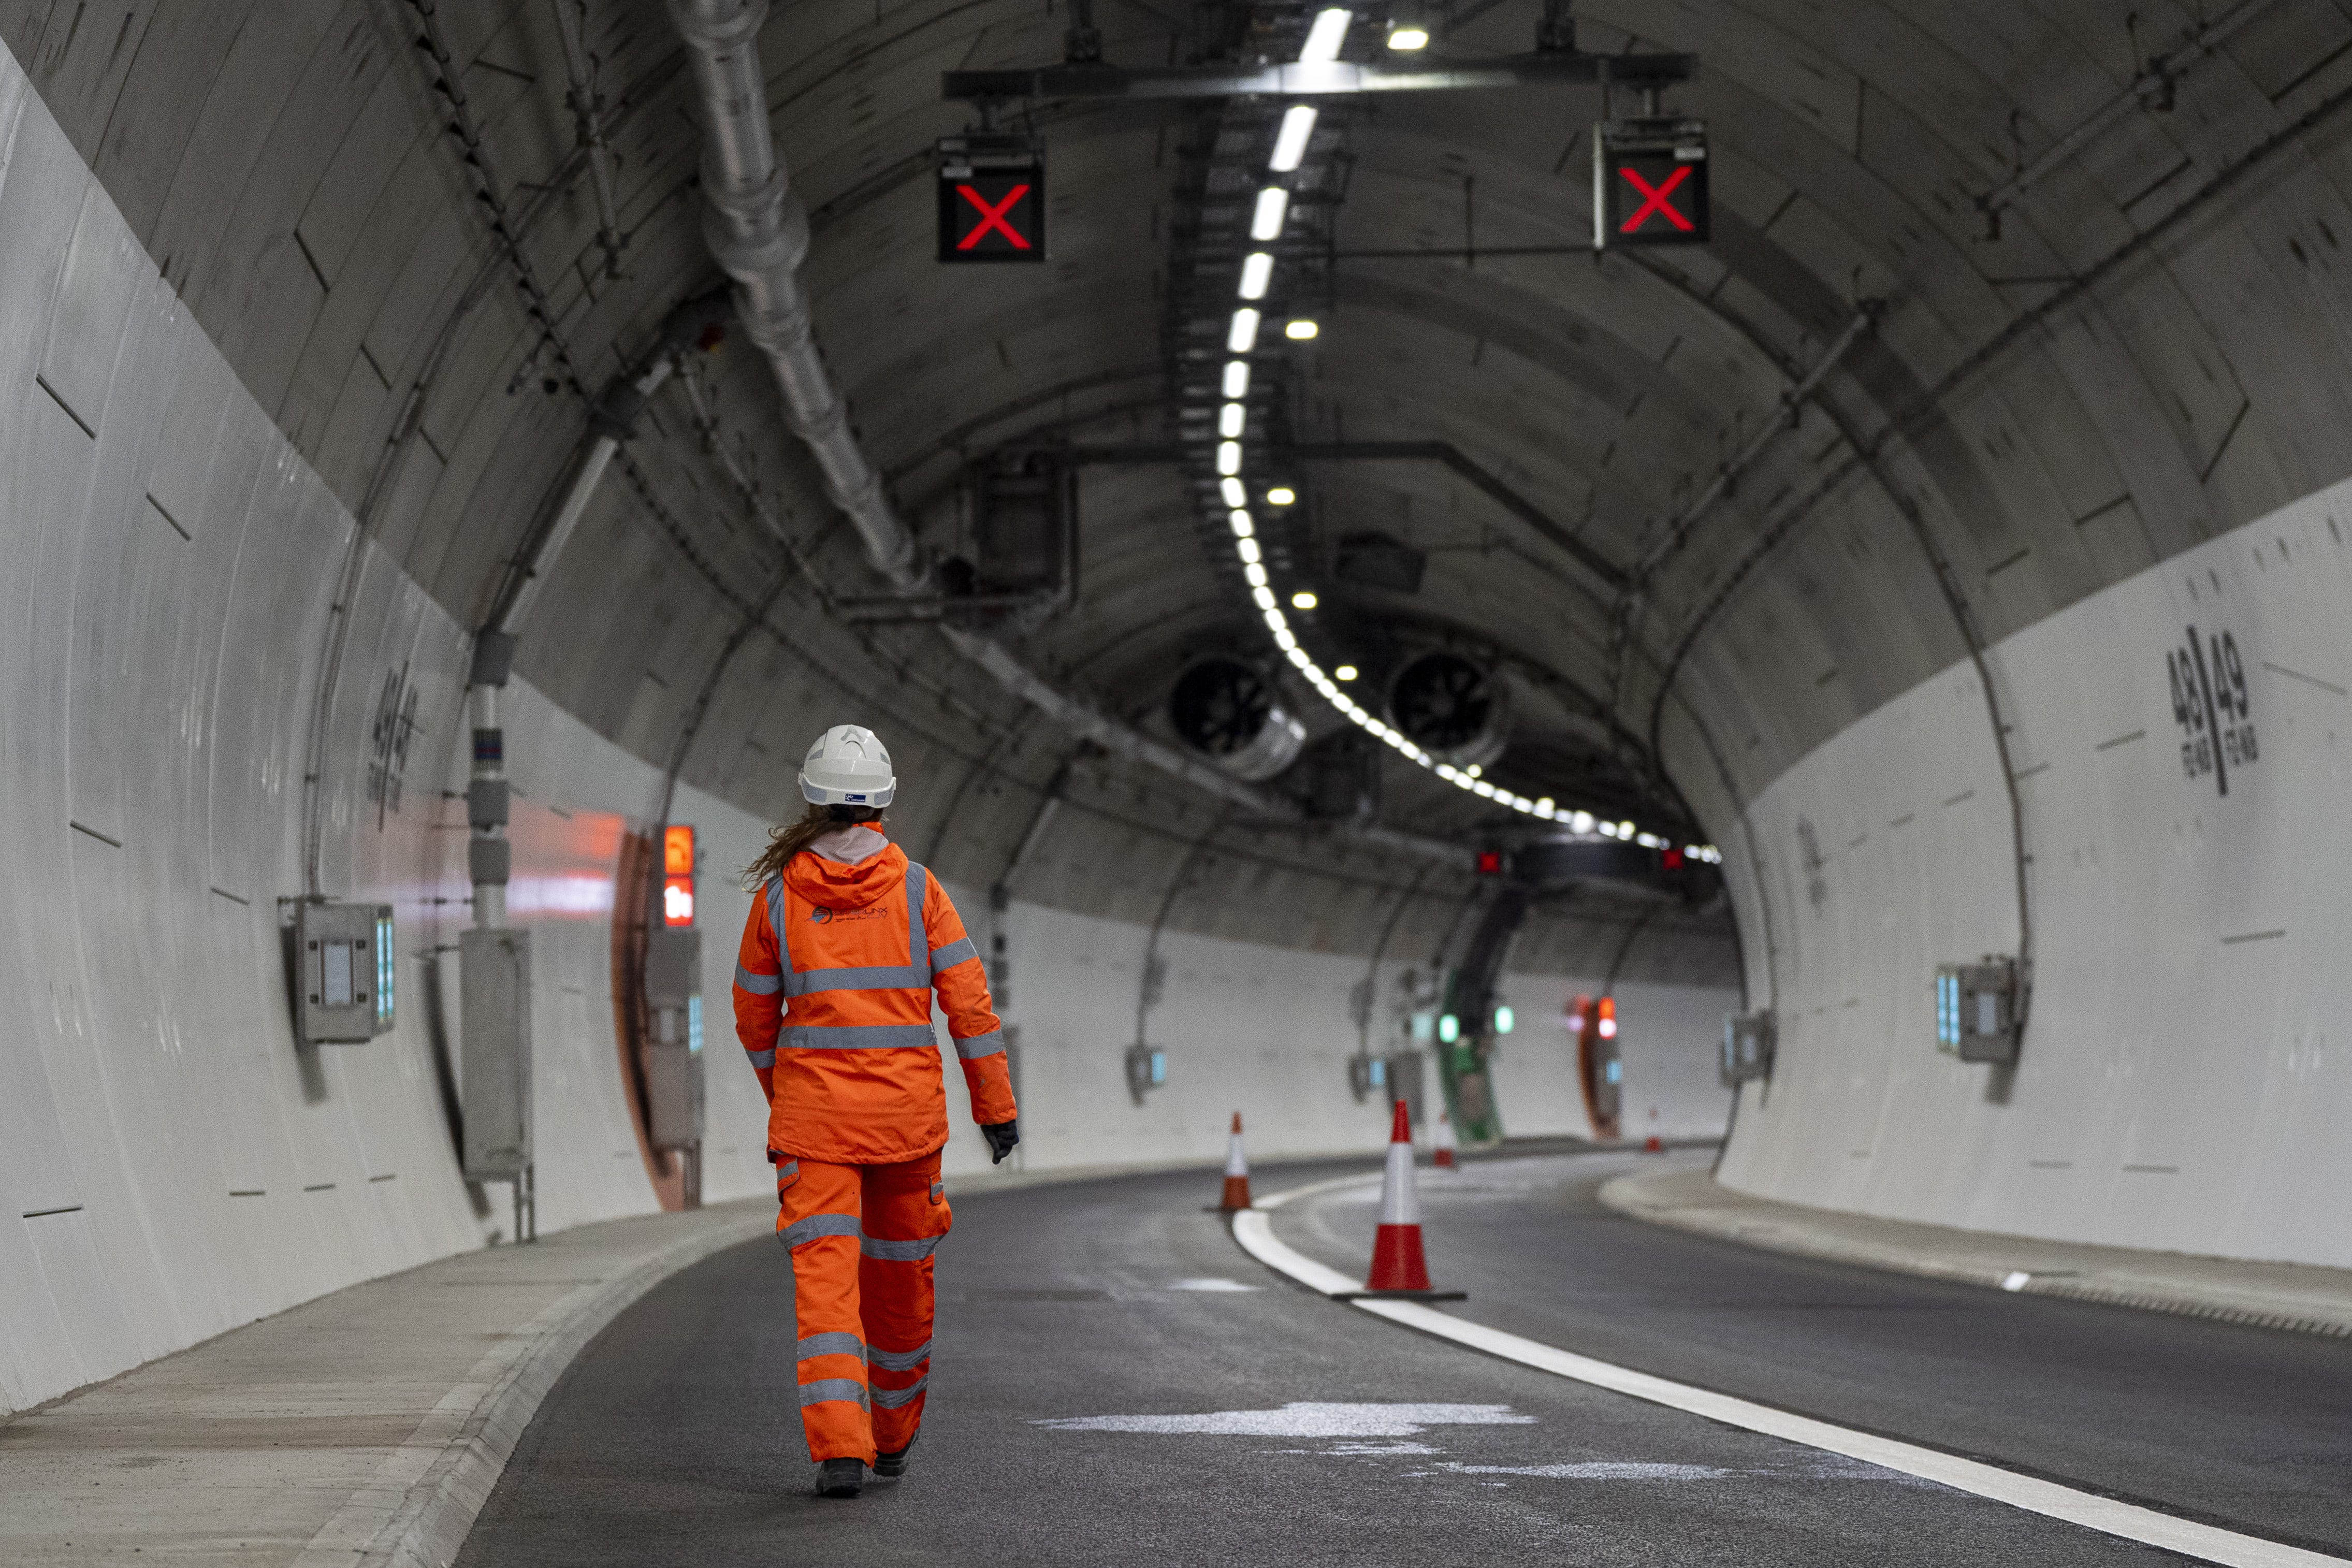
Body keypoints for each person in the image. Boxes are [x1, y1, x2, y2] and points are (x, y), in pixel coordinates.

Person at [732, 723, 1019, 1499]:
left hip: (812, 1130)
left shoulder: (775, 899)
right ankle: (890, 1438)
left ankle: (839, 1449)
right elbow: (970, 1009)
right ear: (884, 802)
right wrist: (996, 1111)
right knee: (901, 1283)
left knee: (824, 1292)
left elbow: (754, 1020)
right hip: (905, 1128)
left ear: (810, 797)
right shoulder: (922, 891)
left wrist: (790, 1094)